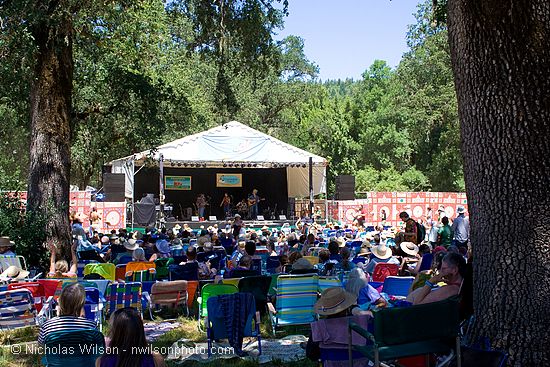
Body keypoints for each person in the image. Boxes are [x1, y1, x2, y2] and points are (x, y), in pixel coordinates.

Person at [98, 307, 166, 367]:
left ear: (115, 334)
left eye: (110, 328)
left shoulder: (102, 362)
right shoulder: (156, 359)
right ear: (140, 331)